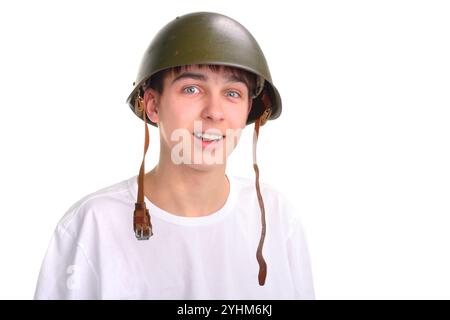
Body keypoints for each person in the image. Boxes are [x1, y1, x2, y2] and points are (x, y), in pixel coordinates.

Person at [34, 11, 314, 299]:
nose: (214, 112)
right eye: (191, 89)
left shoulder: (278, 219)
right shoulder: (93, 226)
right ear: (152, 105)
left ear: (249, 111)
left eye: (232, 93)